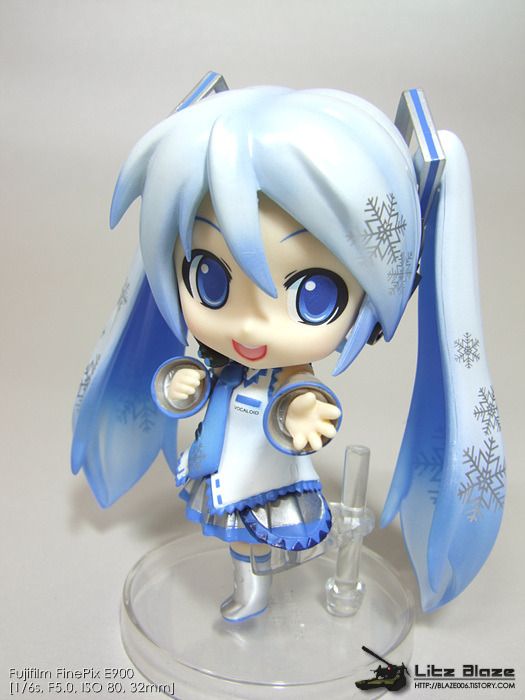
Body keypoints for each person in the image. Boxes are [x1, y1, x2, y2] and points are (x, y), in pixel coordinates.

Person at [72, 85, 505, 620]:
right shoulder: (224, 360)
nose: (251, 325)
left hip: (265, 468)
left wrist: (302, 411)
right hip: (228, 460)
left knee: (257, 532)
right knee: (242, 535)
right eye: (210, 280)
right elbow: (197, 381)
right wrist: (182, 385)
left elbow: (301, 392)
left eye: (312, 295)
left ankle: (259, 582)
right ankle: (253, 584)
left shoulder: (284, 375)